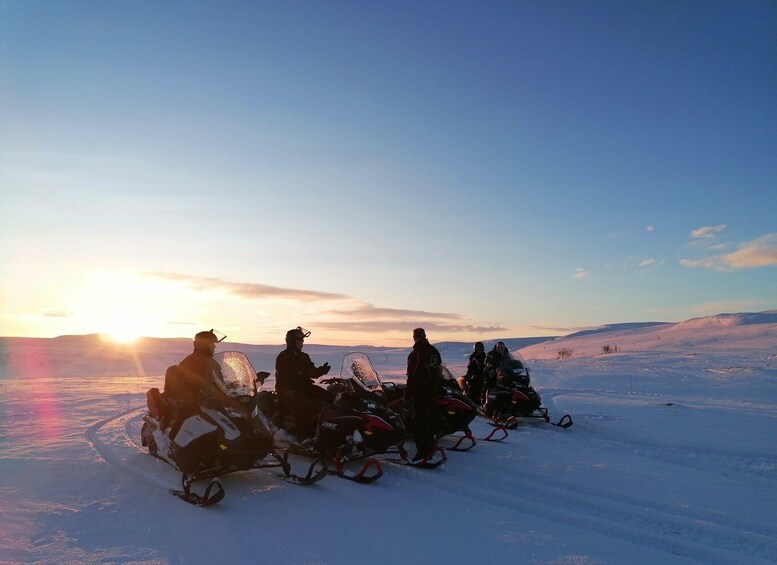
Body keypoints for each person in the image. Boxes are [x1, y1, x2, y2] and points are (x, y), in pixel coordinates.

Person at [165, 329, 244, 435]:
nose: (214, 347)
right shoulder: (190, 362)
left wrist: (233, 386)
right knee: (187, 413)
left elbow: (218, 381)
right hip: (192, 400)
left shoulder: (212, 362)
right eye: (212, 344)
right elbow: (184, 385)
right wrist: (196, 395)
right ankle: (173, 443)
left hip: (207, 400)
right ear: (203, 345)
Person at [274, 327, 334, 440]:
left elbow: (311, 371)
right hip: (288, 390)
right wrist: (302, 372)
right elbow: (290, 373)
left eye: (302, 341)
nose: (302, 344)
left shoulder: (303, 356)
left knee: (329, 396)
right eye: (300, 341)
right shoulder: (284, 357)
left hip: (304, 387)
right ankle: (303, 436)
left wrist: (320, 371)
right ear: (293, 342)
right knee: (301, 404)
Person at [405, 327, 443, 461]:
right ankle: (430, 446)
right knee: (430, 421)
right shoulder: (434, 351)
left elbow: (412, 375)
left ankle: (422, 452)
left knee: (419, 424)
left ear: (414, 337)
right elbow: (438, 369)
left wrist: (407, 394)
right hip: (433, 391)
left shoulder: (416, 353)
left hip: (420, 392)